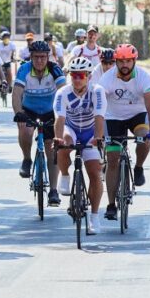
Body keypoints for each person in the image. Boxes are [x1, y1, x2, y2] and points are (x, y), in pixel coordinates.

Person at [99, 44, 150, 220]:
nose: (124, 65)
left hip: (137, 115)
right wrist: (100, 133)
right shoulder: (107, 78)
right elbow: (100, 109)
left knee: (143, 137)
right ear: (116, 62)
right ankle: (111, 204)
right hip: (113, 117)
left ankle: (138, 167)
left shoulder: (144, 78)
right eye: (121, 61)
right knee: (112, 160)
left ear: (134, 61)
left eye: (128, 61)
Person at [53, 56, 107, 235]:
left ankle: (94, 217)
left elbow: (99, 117)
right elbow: (60, 119)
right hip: (72, 128)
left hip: (90, 131)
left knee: (95, 173)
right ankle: (65, 175)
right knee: (63, 142)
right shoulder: (63, 93)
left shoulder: (97, 91)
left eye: (81, 75)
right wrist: (57, 139)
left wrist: (98, 138)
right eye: (74, 75)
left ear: (89, 76)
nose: (77, 79)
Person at [13, 40, 66, 206]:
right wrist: (19, 114)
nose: (40, 61)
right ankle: (27, 159)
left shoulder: (55, 69)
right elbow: (16, 95)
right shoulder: (24, 70)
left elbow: (64, 91)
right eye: (36, 57)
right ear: (31, 57)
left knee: (52, 149)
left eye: (43, 57)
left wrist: (63, 115)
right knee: (25, 130)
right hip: (29, 109)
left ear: (48, 57)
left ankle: (53, 190)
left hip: (50, 111)